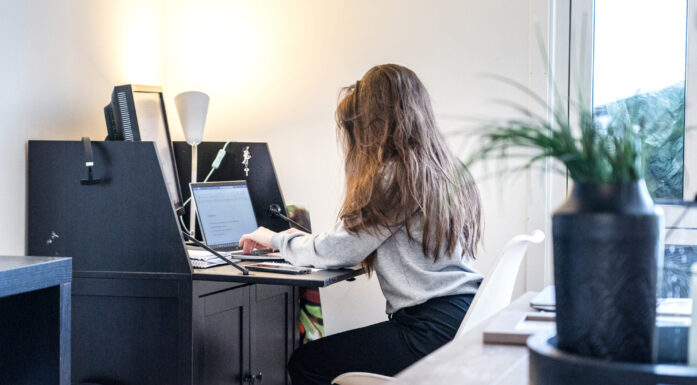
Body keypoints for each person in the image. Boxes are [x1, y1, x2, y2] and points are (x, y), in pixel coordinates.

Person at [239, 63, 483, 385]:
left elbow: (338, 250)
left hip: (428, 327)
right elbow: (351, 240)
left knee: (307, 363)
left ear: (375, 124)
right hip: (462, 313)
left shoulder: (396, 175)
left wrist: (275, 239)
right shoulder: (442, 166)